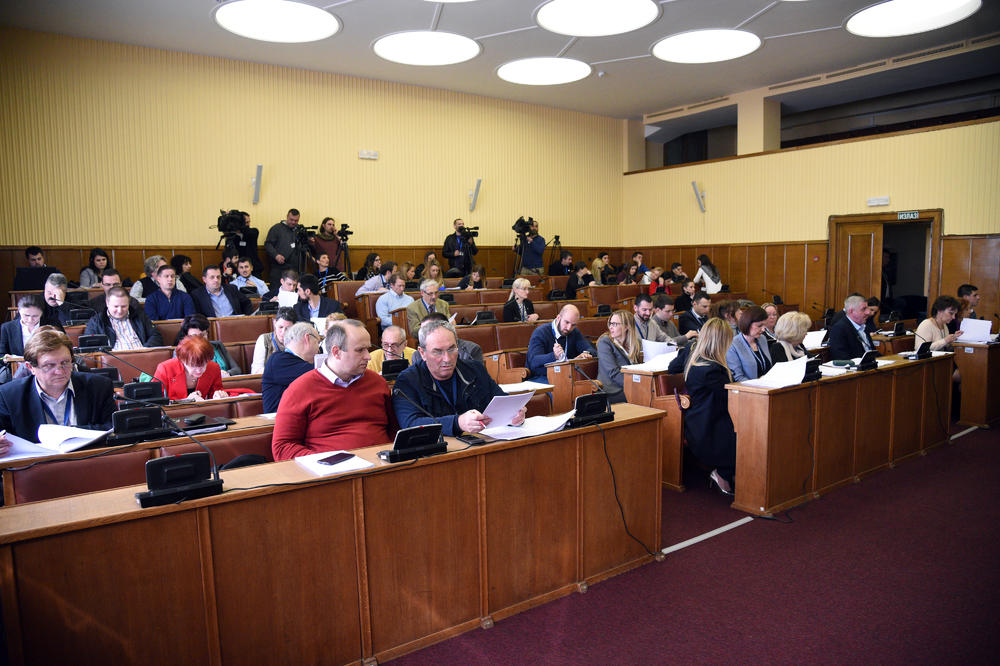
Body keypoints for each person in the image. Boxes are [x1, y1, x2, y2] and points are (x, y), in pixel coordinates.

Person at [272, 320, 394, 460]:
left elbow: (394, 431)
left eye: (368, 349)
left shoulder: (377, 383)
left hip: (383, 465)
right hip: (330, 470)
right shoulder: (299, 390)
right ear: (336, 352)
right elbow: (282, 447)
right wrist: (326, 461)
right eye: (360, 350)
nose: (368, 356)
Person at [393, 319, 523, 436]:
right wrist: (457, 423)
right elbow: (411, 424)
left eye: (451, 349)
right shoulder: (407, 381)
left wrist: (514, 413)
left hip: (484, 442)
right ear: (422, 353)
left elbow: (501, 400)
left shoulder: (475, 369)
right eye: (437, 352)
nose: (447, 359)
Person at [0, 329, 116, 450]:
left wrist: (67, 434)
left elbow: (112, 428)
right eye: (49, 365)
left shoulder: (99, 386)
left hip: (87, 457)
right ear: (31, 368)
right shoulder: (9, 396)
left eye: (65, 362)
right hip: (36, 461)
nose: (60, 372)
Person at [683, 318, 737, 495]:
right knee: (743, 435)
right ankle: (722, 473)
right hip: (706, 426)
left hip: (707, 417)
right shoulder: (710, 369)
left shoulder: (701, 361)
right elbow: (728, 396)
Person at [262, 322, 321, 413]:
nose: (318, 349)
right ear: (307, 338)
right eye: (317, 342)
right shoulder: (279, 361)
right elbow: (320, 374)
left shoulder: (291, 361)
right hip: (278, 420)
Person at [526, 304, 595, 379]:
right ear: (558, 318)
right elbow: (534, 361)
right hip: (542, 377)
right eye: (567, 322)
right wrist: (554, 356)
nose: (569, 328)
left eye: (573, 325)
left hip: (566, 376)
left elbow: (591, 350)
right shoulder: (540, 332)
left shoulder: (574, 332)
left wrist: (585, 354)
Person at [84, 287, 163, 350]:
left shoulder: (140, 316)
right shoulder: (96, 322)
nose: (120, 311)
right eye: (116, 306)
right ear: (107, 303)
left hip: (142, 356)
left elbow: (156, 336)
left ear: (128, 303)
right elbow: (89, 346)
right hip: (113, 359)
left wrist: (145, 349)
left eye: (124, 306)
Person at [153, 335, 227, 402]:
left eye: (204, 364)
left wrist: (220, 396)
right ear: (182, 360)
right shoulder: (165, 369)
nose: (199, 370)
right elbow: (154, 401)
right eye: (193, 365)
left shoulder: (214, 368)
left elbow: (215, 392)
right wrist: (185, 401)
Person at [596, 310, 642, 404]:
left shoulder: (635, 344)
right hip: (611, 391)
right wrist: (634, 386)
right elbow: (613, 372)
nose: (611, 327)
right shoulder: (605, 342)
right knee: (644, 396)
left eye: (615, 324)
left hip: (627, 387)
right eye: (610, 323)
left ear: (626, 326)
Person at [173, 314, 241, 376]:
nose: (199, 339)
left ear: (207, 333)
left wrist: (227, 373)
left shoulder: (218, 345)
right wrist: (214, 374)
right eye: (194, 336)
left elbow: (237, 369)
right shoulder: (181, 351)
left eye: (202, 335)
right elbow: (180, 374)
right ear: (187, 337)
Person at [1, 296, 48, 383]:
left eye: (35, 316)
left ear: (41, 313)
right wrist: (5, 358)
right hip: (15, 371)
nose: (30, 320)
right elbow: (1, 354)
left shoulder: (51, 325)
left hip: (45, 368)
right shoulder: (7, 328)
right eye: (26, 315)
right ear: (19, 311)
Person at [411, 313, 484, 367]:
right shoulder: (417, 355)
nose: (422, 334)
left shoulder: (470, 350)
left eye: (427, 330)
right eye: (422, 330)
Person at [726, 306, 773, 382]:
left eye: (765, 325)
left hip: (767, 385)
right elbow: (738, 377)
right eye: (759, 326)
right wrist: (757, 384)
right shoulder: (733, 344)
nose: (763, 329)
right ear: (747, 323)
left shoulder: (762, 339)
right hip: (748, 387)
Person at [828, 294, 876, 361]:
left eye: (867, 308)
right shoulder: (839, 329)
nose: (868, 312)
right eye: (864, 309)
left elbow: (872, 352)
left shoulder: (864, 326)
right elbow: (842, 358)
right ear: (851, 311)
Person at [251, 307, 298, 374]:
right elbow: (256, 370)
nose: (283, 332)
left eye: (288, 329)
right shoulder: (264, 339)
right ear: (274, 323)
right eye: (280, 327)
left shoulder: (299, 341)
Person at [264, 208, 304, 286]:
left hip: (295, 269)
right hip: (278, 269)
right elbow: (268, 244)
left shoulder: (299, 230)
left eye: (296, 220)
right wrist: (276, 255)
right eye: (291, 220)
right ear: (287, 217)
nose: (293, 222)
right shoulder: (276, 228)